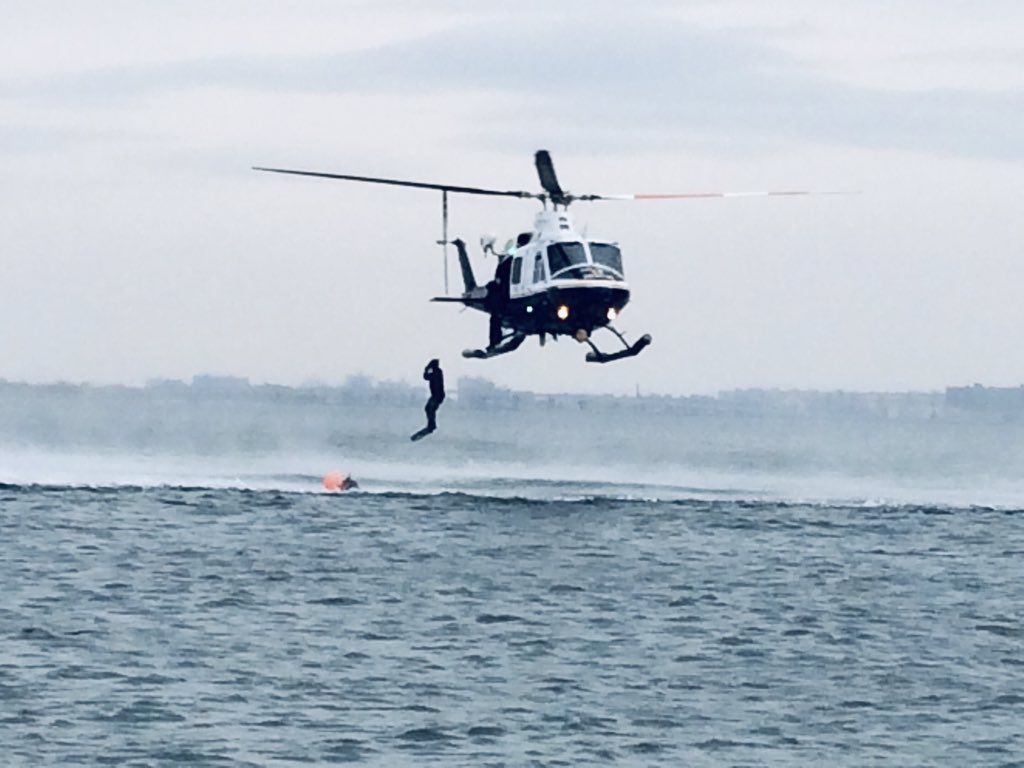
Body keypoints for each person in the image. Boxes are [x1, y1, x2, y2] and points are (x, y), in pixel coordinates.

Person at [411, 359, 445, 441]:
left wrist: (427, 369)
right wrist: (427, 369)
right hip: (435, 395)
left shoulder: (437, 372)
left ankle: (431, 425)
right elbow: (426, 377)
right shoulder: (435, 372)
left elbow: (426, 377)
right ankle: (431, 424)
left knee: (430, 408)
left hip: (438, 395)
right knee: (428, 408)